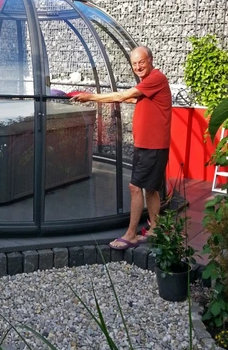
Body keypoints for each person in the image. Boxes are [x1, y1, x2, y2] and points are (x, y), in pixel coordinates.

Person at [73, 46, 172, 250]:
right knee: (151, 189)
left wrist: (90, 97)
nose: (138, 67)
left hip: (152, 146)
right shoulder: (149, 83)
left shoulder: (156, 78)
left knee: (135, 187)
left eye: (141, 62)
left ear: (151, 60)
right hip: (146, 145)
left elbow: (122, 96)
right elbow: (132, 97)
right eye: (134, 64)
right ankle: (156, 229)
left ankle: (131, 234)